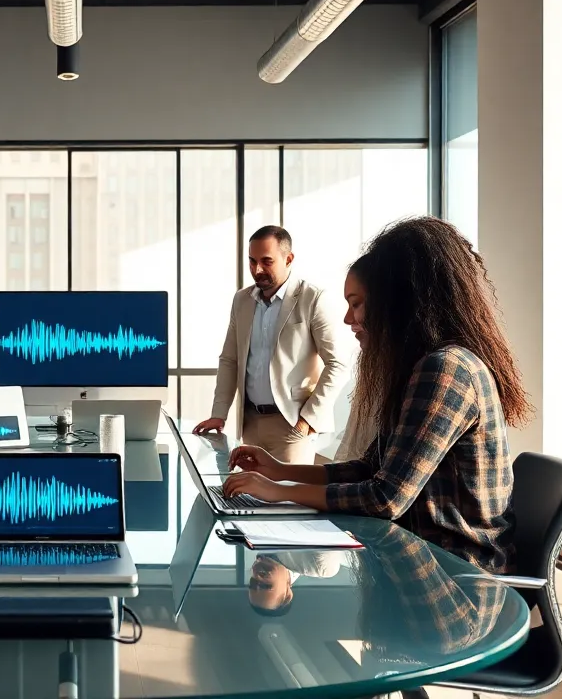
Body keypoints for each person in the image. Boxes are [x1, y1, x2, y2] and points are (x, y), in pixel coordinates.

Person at [222, 217, 530, 574]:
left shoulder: (445, 372)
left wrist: (280, 491)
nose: (347, 318)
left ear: (398, 303)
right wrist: (280, 472)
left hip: (458, 577)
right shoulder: (421, 369)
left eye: (357, 303)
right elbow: (372, 468)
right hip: (426, 562)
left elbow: (385, 499)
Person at [192, 225, 348, 464]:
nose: (257, 269)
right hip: (250, 424)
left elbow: (338, 364)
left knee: (288, 498)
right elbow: (230, 360)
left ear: (289, 259)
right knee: (250, 498)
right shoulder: (241, 300)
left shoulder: (313, 299)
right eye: (252, 261)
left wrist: (308, 420)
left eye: (266, 261)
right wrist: (218, 414)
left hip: (292, 425)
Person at [245, 550, 344, 617]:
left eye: (252, 583)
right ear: (287, 594)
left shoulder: (250, 543)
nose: (257, 576)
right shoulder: (319, 565)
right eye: (266, 586)